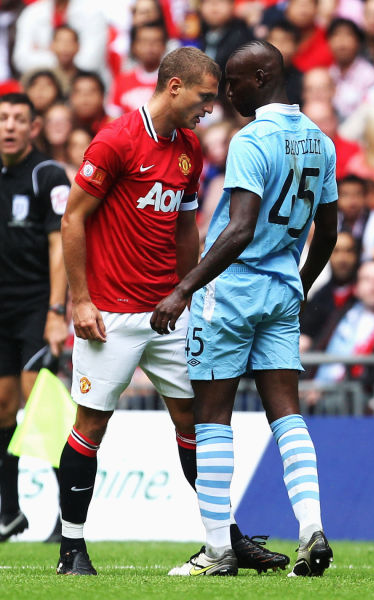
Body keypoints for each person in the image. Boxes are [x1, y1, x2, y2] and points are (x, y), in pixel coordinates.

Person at [57, 46, 289, 577]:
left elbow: (186, 227)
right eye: (205, 97)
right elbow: (73, 220)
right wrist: (81, 300)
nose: (211, 107)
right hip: (110, 314)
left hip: (167, 311)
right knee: (91, 425)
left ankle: (226, 540)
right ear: (174, 87)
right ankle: (71, 548)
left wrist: (191, 293)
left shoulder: (189, 148)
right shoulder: (115, 141)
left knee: (196, 422)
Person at [151, 40, 338, 577]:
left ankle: (217, 551)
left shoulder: (251, 139)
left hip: (230, 293)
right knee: (287, 414)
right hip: (281, 291)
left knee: (212, 420)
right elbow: (327, 231)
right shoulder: (320, 140)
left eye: (233, 82)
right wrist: (300, 283)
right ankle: (311, 527)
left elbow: (239, 229)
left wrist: (184, 288)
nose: (227, 94)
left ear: (260, 77)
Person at [0, 92, 70, 541]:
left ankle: (69, 516)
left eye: (18, 119)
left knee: (40, 407)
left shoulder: (47, 175)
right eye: (3, 118)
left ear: (33, 128)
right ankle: (9, 512)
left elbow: (60, 244)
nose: (9, 126)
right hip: (1, 311)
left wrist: (56, 311)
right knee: (3, 407)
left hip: (36, 307)